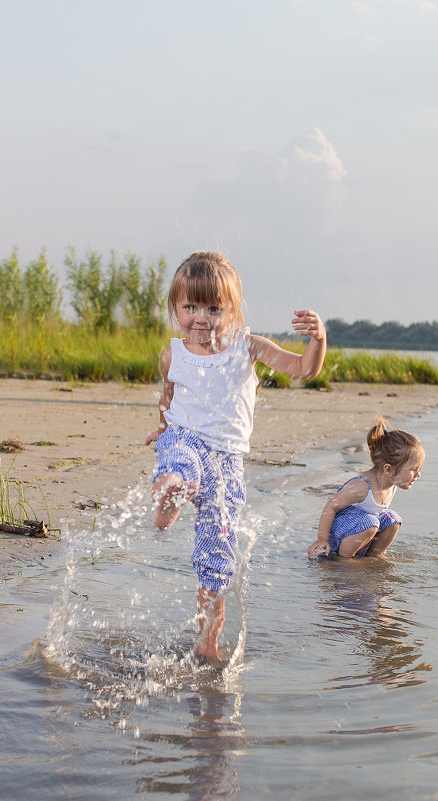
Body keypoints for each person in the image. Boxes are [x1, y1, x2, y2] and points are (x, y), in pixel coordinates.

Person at [145, 251, 326, 666]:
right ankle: (169, 498)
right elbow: (170, 395)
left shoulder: (249, 346)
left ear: (233, 309)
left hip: (226, 465)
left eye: (213, 307)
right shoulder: (174, 353)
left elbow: (303, 369)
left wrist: (318, 340)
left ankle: (207, 642)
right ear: (175, 308)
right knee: (178, 463)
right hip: (184, 438)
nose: (201, 318)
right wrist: (162, 425)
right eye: (190, 307)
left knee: (216, 557)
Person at [307, 417, 424, 560]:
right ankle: (343, 559)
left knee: (393, 518)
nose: (418, 474)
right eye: (414, 469)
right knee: (371, 522)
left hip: (361, 529)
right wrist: (322, 539)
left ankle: (372, 556)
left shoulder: (392, 484)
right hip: (340, 535)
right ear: (389, 469)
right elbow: (331, 506)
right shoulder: (362, 486)